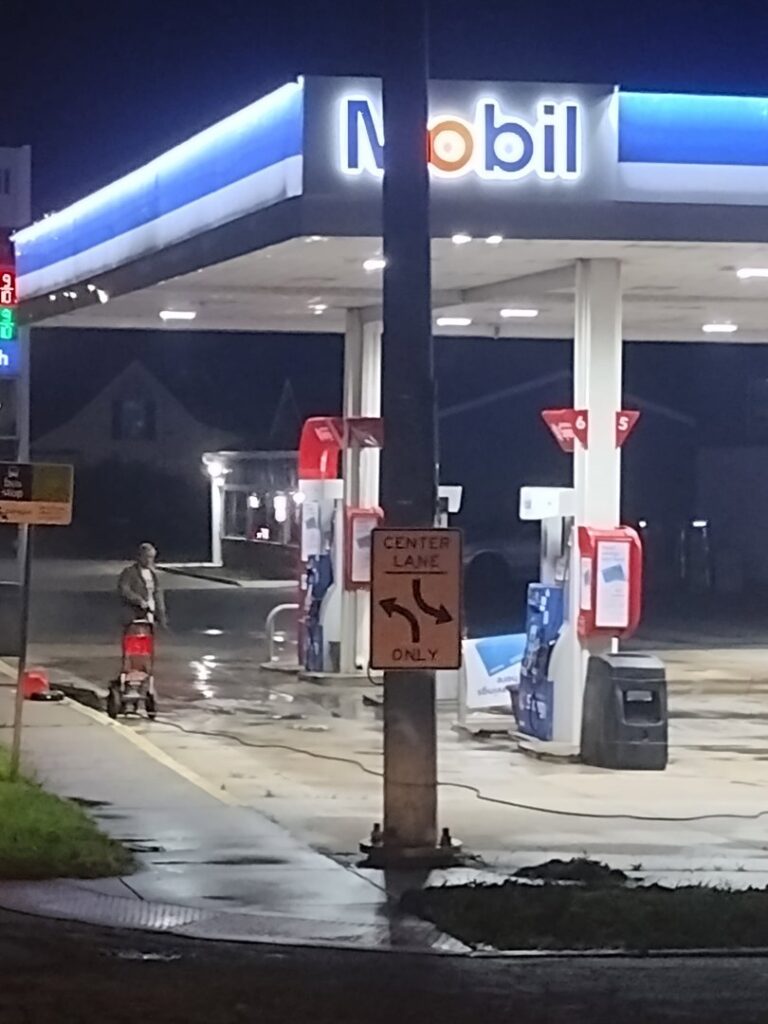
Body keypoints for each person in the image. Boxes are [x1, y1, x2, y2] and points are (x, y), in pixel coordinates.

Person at [117, 543, 167, 628]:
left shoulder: (153, 575)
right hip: (134, 616)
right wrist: (138, 600)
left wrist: (161, 616)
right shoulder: (129, 572)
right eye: (147, 557)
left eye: (152, 557)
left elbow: (158, 595)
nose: (149, 560)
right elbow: (124, 590)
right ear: (139, 557)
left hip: (152, 615)